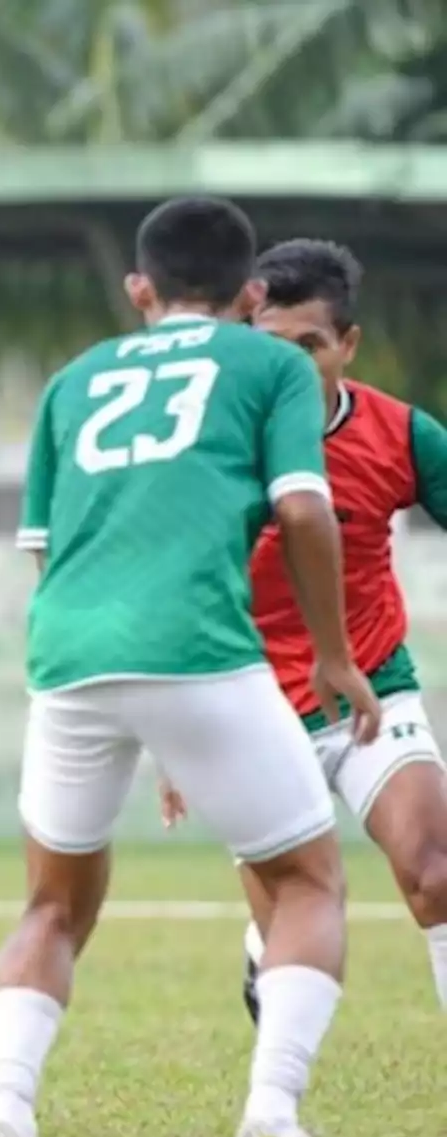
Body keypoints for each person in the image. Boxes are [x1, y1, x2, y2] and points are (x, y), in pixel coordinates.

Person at [0, 197, 381, 1137]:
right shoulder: (270, 364)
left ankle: (2, 1128)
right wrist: (330, 655)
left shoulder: (71, 382)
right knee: (305, 882)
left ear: (137, 290)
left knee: (50, 908)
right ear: (250, 297)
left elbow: (40, 552)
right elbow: (298, 507)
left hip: (66, 658)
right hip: (198, 648)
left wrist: (126, 702)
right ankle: (271, 1121)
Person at [156, 240, 447, 1018]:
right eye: (269, 347)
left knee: (436, 869)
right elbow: (177, 590)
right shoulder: (204, 450)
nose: (287, 367)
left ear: (347, 345)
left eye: (310, 346)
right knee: (292, 922)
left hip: (370, 690)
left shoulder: (405, 435)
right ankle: (265, 962)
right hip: (248, 705)